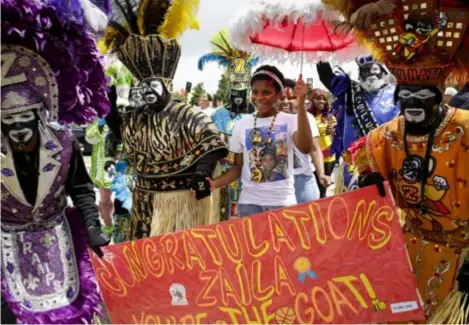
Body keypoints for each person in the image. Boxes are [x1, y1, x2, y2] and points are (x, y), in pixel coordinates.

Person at [327, 0, 469, 321]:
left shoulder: (466, 130)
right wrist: (370, 193)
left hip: (464, 259)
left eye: (422, 93)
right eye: (406, 92)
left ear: (438, 91)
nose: (412, 101)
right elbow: (373, 201)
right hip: (408, 253)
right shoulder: (382, 138)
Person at [1, 0, 110, 323]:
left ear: (40, 116)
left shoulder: (63, 143)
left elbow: (81, 187)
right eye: (9, 121)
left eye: (25, 119)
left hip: (56, 238)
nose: (18, 129)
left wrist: (91, 224)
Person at [102, 0, 228, 239]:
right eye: (145, 88)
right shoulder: (137, 117)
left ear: (167, 85)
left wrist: (202, 173)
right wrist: (109, 106)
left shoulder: (187, 114)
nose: (149, 94)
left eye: (154, 87)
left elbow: (212, 142)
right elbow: (119, 131)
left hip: (182, 200)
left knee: (183, 258)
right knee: (147, 260)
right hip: (145, 200)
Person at [208, 65, 313, 217]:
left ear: (279, 94)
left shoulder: (290, 121)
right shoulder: (241, 124)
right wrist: (214, 183)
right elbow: (238, 167)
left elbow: (305, 147)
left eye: (266, 92)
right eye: (255, 92)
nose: (259, 97)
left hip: (281, 204)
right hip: (248, 205)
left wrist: (301, 104)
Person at [317, 54, 400, 192]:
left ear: (384, 71)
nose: (370, 74)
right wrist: (319, 51)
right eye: (365, 70)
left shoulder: (397, 93)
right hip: (353, 169)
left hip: (388, 165)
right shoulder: (349, 91)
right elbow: (326, 76)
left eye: (373, 69)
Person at [198, 29, 258, 219]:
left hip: (249, 178)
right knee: (223, 219)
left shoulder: (257, 114)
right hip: (222, 176)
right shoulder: (218, 114)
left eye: (243, 84)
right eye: (235, 85)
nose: (238, 89)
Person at [279, 80, 325, 203]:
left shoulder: (307, 118)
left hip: (303, 180)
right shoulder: (269, 120)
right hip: (278, 182)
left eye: (291, 98)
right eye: (281, 98)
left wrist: (321, 174)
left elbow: (315, 149)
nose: (286, 102)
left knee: (308, 219)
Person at [85, 118, 113, 234]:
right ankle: (107, 223)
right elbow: (90, 138)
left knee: (107, 200)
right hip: (100, 166)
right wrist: (99, 125)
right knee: (103, 200)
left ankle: (109, 224)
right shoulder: (96, 122)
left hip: (113, 165)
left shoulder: (115, 120)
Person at [308, 88, 337, 197]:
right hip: (313, 157)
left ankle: (321, 210)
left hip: (328, 158)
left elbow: (337, 139)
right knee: (313, 187)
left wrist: (333, 132)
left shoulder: (330, 117)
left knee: (322, 188)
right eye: (318, 99)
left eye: (324, 99)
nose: (322, 102)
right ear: (312, 100)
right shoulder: (308, 117)